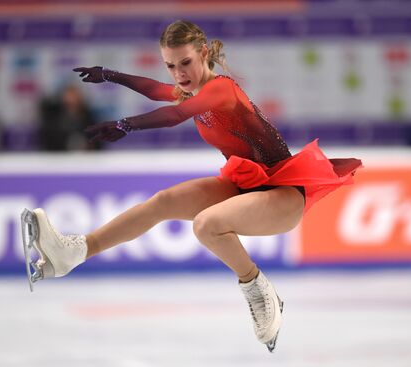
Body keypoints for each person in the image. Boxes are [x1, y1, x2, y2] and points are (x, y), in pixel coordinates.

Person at [21, 20, 362, 352]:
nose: (179, 73)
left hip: (283, 195)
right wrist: (109, 74)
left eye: (185, 62)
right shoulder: (187, 89)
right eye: (171, 66)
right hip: (247, 185)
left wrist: (126, 125)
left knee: (207, 225)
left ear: (202, 53)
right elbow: (155, 90)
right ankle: (74, 252)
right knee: (162, 202)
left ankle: (258, 288)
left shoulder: (221, 89)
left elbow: (175, 116)